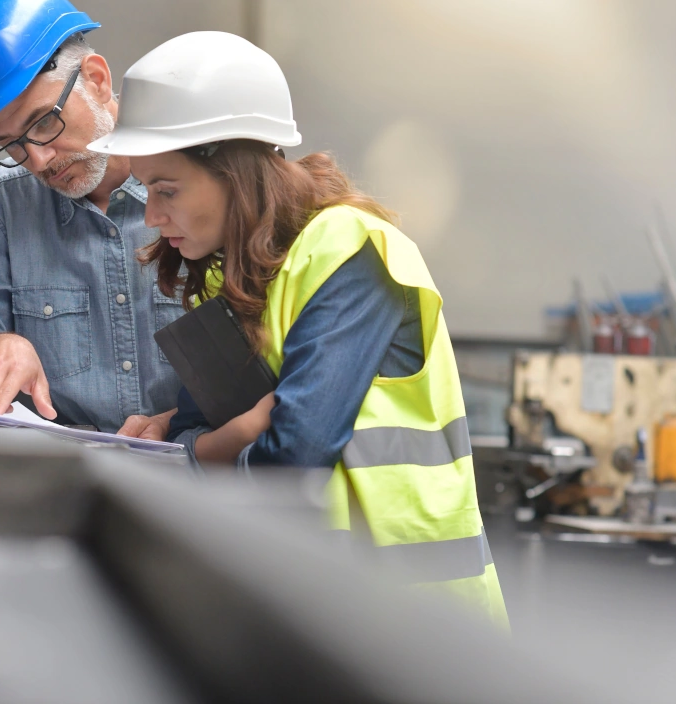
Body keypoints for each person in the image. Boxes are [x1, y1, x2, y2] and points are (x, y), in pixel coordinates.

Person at [89, 31, 508, 627]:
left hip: (417, 628)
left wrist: (208, 447)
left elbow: (294, 454)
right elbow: (194, 428)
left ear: (234, 172)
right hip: (318, 618)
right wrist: (218, 439)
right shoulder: (223, 279)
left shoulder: (348, 250)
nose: (152, 216)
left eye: (167, 189)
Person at [0, 0, 184, 436]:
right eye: (9, 145)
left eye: (44, 123)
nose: (37, 160)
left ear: (96, 80)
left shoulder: (198, 180)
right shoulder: (4, 206)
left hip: (201, 481)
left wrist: (189, 422)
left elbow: (273, 356)